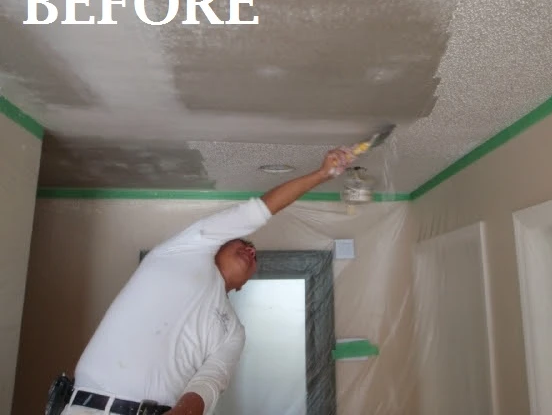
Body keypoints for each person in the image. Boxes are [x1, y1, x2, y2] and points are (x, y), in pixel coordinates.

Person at [58, 148, 353, 415]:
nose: (250, 249)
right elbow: (258, 212)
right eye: (242, 242)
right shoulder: (181, 253)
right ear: (216, 245)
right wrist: (321, 174)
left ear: (243, 286)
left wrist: (184, 412)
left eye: (255, 255)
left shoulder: (233, 332)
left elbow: (210, 381)